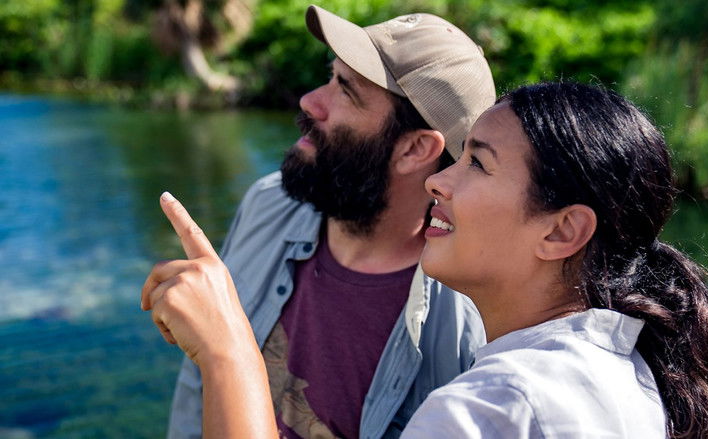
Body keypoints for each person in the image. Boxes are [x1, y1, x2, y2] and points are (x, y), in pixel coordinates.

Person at [142, 82, 708, 438]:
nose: (438, 182)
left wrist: (228, 352)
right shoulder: (648, 379)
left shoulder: (488, 412)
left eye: (477, 163)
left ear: (562, 231)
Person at [161, 5, 495, 439]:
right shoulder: (269, 202)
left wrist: (225, 353)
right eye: (330, 76)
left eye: (347, 91)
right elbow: (195, 392)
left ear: (414, 149)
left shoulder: (468, 327)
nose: (311, 101)